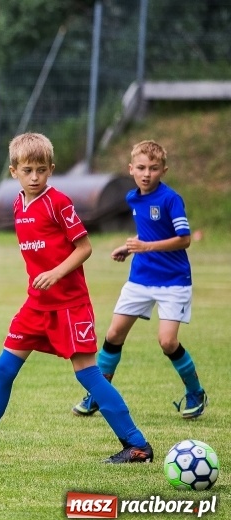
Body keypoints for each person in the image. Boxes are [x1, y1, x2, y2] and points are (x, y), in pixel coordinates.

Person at [0, 132, 153, 463]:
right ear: (14, 172)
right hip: (36, 305)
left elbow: (84, 247)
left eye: (41, 170)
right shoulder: (17, 205)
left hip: (69, 305)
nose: (35, 177)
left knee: (87, 373)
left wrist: (57, 272)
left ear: (51, 169)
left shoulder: (58, 203)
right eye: (27, 170)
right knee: (4, 368)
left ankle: (136, 443)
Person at [72, 140, 207, 419]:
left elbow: (183, 240)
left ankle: (195, 392)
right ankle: (99, 394)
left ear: (163, 170)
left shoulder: (171, 199)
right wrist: (131, 248)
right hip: (141, 278)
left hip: (173, 281)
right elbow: (149, 233)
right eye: (142, 168)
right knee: (113, 335)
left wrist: (146, 247)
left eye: (154, 168)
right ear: (131, 169)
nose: (147, 174)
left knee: (168, 342)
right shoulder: (133, 198)